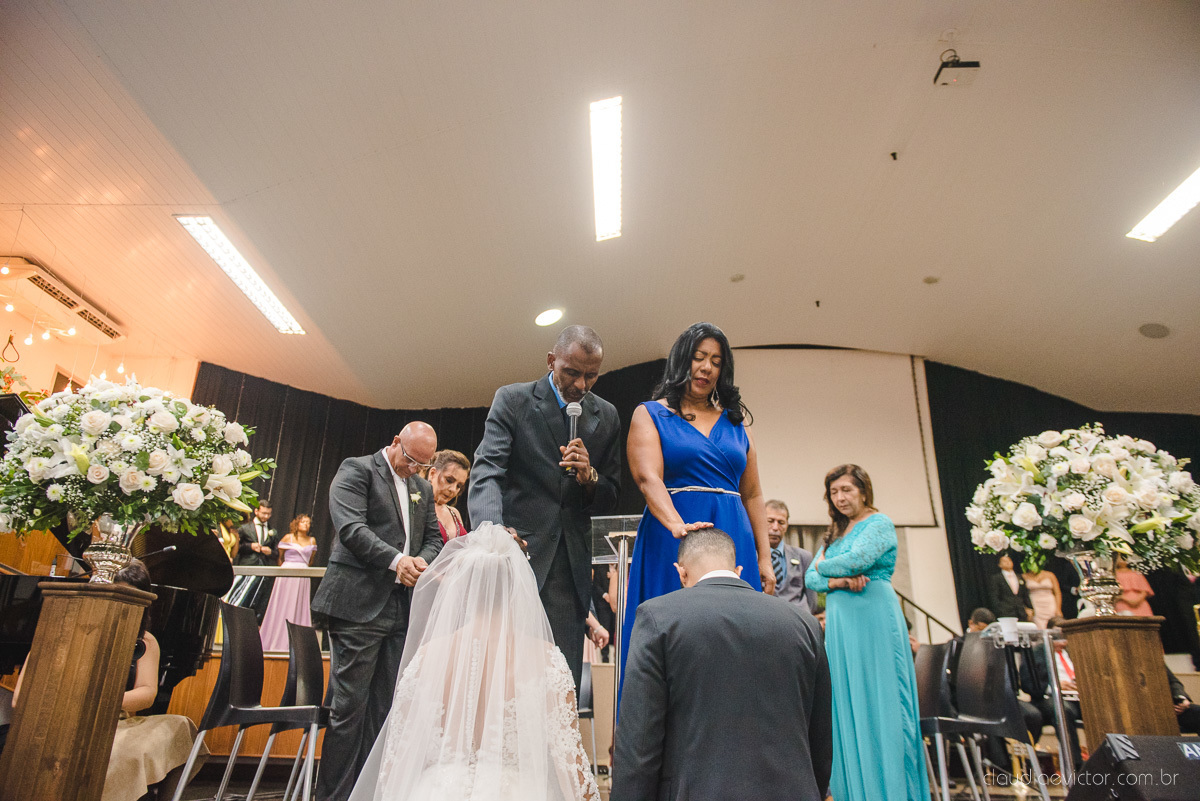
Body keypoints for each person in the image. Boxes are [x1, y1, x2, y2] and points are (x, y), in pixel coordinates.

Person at [346, 523, 599, 801]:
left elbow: (396, 760)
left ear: (464, 586)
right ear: (519, 586)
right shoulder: (546, 659)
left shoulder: (429, 655)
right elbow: (570, 765)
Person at [612, 527, 831, 801]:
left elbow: (640, 738)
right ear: (739, 570)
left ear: (681, 573)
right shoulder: (804, 623)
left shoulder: (658, 618)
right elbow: (820, 736)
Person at [621, 322, 775, 688]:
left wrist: (764, 557)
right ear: (681, 361)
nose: (707, 367)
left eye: (716, 361)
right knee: (671, 637)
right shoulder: (651, 413)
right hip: (673, 533)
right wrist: (676, 525)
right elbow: (648, 479)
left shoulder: (738, 424)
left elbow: (752, 494)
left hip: (732, 534)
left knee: (739, 637)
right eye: (699, 357)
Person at [468, 325, 621, 692]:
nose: (582, 385)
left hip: (570, 570)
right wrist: (492, 531)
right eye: (572, 372)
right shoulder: (514, 400)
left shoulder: (608, 416)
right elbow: (488, 470)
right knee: (503, 679)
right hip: (514, 558)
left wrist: (590, 476)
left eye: (591, 376)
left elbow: (612, 493)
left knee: (556, 682)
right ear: (552, 360)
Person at [311, 421, 444, 801]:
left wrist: (420, 561)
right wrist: (396, 561)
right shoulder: (357, 470)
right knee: (349, 711)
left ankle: (367, 794)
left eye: (423, 464)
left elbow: (434, 538)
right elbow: (351, 529)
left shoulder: (419, 486)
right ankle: (334, 796)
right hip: (357, 607)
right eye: (410, 460)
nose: (413, 469)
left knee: (385, 711)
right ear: (395, 442)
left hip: (399, 611)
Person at [11, 560, 210, 801]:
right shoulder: (58, 630)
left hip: (114, 720)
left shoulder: (145, 641)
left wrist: (101, 701)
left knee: (180, 728)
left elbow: (147, 693)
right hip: (57, 723)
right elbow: (20, 698)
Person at [803, 464, 929, 801]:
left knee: (881, 700)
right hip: (843, 627)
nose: (840, 497)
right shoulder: (835, 532)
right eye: (834, 492)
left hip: (874, 619)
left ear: (863, 491)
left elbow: (856, 560)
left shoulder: (880, 523)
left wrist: (822, 568)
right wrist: (839, 581)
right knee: (846, 702)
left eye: (846, 489)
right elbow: (810, 581)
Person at [259, 514, 318, 652]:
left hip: (302, 574)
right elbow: (280, 556)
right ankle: (276, 638)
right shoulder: (288, 537)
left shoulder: (312, 540)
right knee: (282, 603)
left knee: (299, 605)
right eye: (303, 522)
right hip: (287, 572)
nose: (306, 525)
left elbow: (311, 560)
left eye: (308, 523)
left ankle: (297, 642)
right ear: (297, 524)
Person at [766, 499, 817, 612]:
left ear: (787, 525)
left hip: (798, 619)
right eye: (770, 521)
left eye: (781, 522)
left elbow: (812, 601)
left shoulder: (804, 556)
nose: (775, 527)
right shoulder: (751, 556)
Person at [428, 449, 470, 542]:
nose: (453, 489)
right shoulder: (418, 507)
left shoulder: (455, 513)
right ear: (432, 473)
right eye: (449, 480)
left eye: (459, 486)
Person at [987, 553, 1034, 622]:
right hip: (1006, 612)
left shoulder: (1019, 577)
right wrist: (1000, 610)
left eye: (1009, 561)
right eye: (1004, 561)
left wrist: (1030, 608)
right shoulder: (996, 578)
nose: (1008, 563)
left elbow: (1025, 595)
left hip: (1021, 612)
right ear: (1000, 565)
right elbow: (994, 596)